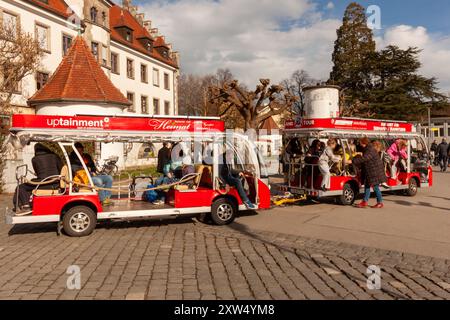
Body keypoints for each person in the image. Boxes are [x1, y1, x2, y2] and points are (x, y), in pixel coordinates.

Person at [13, 143, 63, 212]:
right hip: (55, 183)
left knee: (20, 187)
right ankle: (25, 204)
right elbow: (61, 169)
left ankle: (25, 205)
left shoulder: (34, 159)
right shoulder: (54, 156)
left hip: (44, 183)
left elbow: (37, 173)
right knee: (30, 183)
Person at [349, 137, 387, 209]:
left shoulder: (370, 149)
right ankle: (365, 202)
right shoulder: (368, 148)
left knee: (375, 187)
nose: (360, 144)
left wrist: (352, 161)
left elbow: (365, 158)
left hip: (375, 171)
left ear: (364, 143)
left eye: (360, 143)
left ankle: (380, 202)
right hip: (371, 171)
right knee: (367, 186)